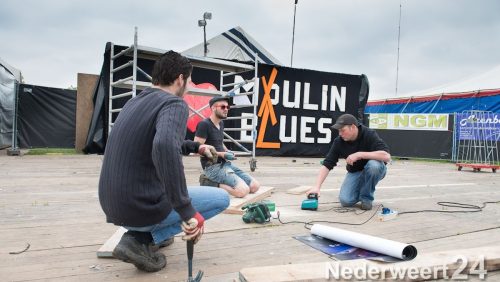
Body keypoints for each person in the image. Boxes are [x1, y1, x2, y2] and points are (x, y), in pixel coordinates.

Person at [98, 51, 229, 272]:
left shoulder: (133, 102)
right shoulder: (174, 104)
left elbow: (157, 140)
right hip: (140, 207)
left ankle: (153, 233)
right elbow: (164, 145)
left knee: (178, 196)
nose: (187, 88)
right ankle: (140, 239)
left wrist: (196, 146)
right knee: (221, 198)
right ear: (180, 79)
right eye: (188, 82)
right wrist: (186, 210)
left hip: (113, 206)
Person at [307, 113, 390, 210]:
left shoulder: (369, 134)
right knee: (346, 201)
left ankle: (366, 198)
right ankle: (364, 186)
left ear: (353, 127)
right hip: (356, 171)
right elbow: (327, 164)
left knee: (374, 166)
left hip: (375, 169)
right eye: (339, 131)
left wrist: (360, 154)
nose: (340, 134)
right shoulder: (339, 142)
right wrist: (317, 187)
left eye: (343, 130)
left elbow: (386, 156)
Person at [194, 96, 260, 198]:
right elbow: (197, 149)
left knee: (254, 186)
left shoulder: (220, 123)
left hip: (225, 164)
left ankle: (221, 181)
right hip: (212, 167)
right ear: (213, 108)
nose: (226, 109)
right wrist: (222, 154)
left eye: (227, 107)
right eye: (223, 107)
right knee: (243, 191)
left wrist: (226, 150)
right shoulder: (204, 125)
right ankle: (207, 182)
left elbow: (219, 142)